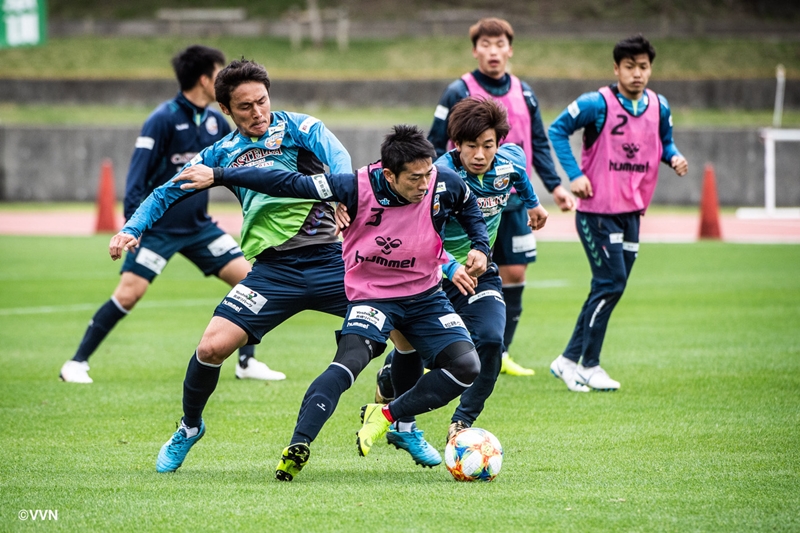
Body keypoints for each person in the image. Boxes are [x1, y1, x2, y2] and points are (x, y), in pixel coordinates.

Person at [173, 125, 492, 481]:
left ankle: (388, 417)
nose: (424, 184)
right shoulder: (353, 186)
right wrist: (218, 175)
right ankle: (299, 443)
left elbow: (470, 213)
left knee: (467, 366)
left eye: (428, 174)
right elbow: (285, 183)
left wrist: (481, 247)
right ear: (389, 174)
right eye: (415, 178)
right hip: (373, 295)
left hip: (425, 295)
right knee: (349, 362)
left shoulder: (445, 183)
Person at [107, 58, 353, 473]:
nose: (258, 112)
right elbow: (164, 192)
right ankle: (189, 427)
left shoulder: (302, 128)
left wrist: (344, 192)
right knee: (211, 347)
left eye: (262, 101)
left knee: (404, 323)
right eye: (245, 107)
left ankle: (401, 420)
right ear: (225, 110)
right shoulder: (221, 153)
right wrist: (132, 228)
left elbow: (341, 158)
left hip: (333, 262)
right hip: (275, 272)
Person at [59, 45, 284, 384]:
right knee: (128, 294)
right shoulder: (162, 119)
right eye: (219, 74)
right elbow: (137, 177)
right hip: (159, 232)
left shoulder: (213, 121)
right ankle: (76, 363)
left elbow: (238, 166)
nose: (224, 81)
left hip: (200, 229)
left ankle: (246, 362)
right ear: (205, 79)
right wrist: (134, 226)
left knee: (250, 282)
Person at [370, 97, 549, 462]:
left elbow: (521, 179)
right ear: (456, 145)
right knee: (427, 355)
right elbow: (414, 228)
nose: (480, 154)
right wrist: (448, 264)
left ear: (499, 143)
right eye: (471, 146)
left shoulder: (510, 161)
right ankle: (391, 378)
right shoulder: (436, 177)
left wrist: (534, 205)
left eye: (488, 145)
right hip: (431, 277)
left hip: (481, 274)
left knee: (490, 340)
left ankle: (462, 423)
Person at [428, 17, 576, 377]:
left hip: (508, 201)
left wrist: (553, 186)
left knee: (512, 271)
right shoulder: (457, 90)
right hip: (465, 202)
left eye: (500, 45)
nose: (493, 52)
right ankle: (450, 345)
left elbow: (537, 144)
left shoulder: (525, 93)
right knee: (457, 268)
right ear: (475, 49)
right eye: (486, 45)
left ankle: (501, 349)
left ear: (510, 49)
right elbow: (434, 142)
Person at [547, 34, 688, 392]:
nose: (637, 74)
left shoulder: (660, 106)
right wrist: (574, 175)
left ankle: (567, 361)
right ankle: (589, 364)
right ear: (616, 69)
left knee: (610, 286)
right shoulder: (597, 103)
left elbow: (664, 141)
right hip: (597, 212)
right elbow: (557, 129)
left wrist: (672, 156)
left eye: (643, 67)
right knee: (612, 283)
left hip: (632, 211)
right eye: (630, 67)